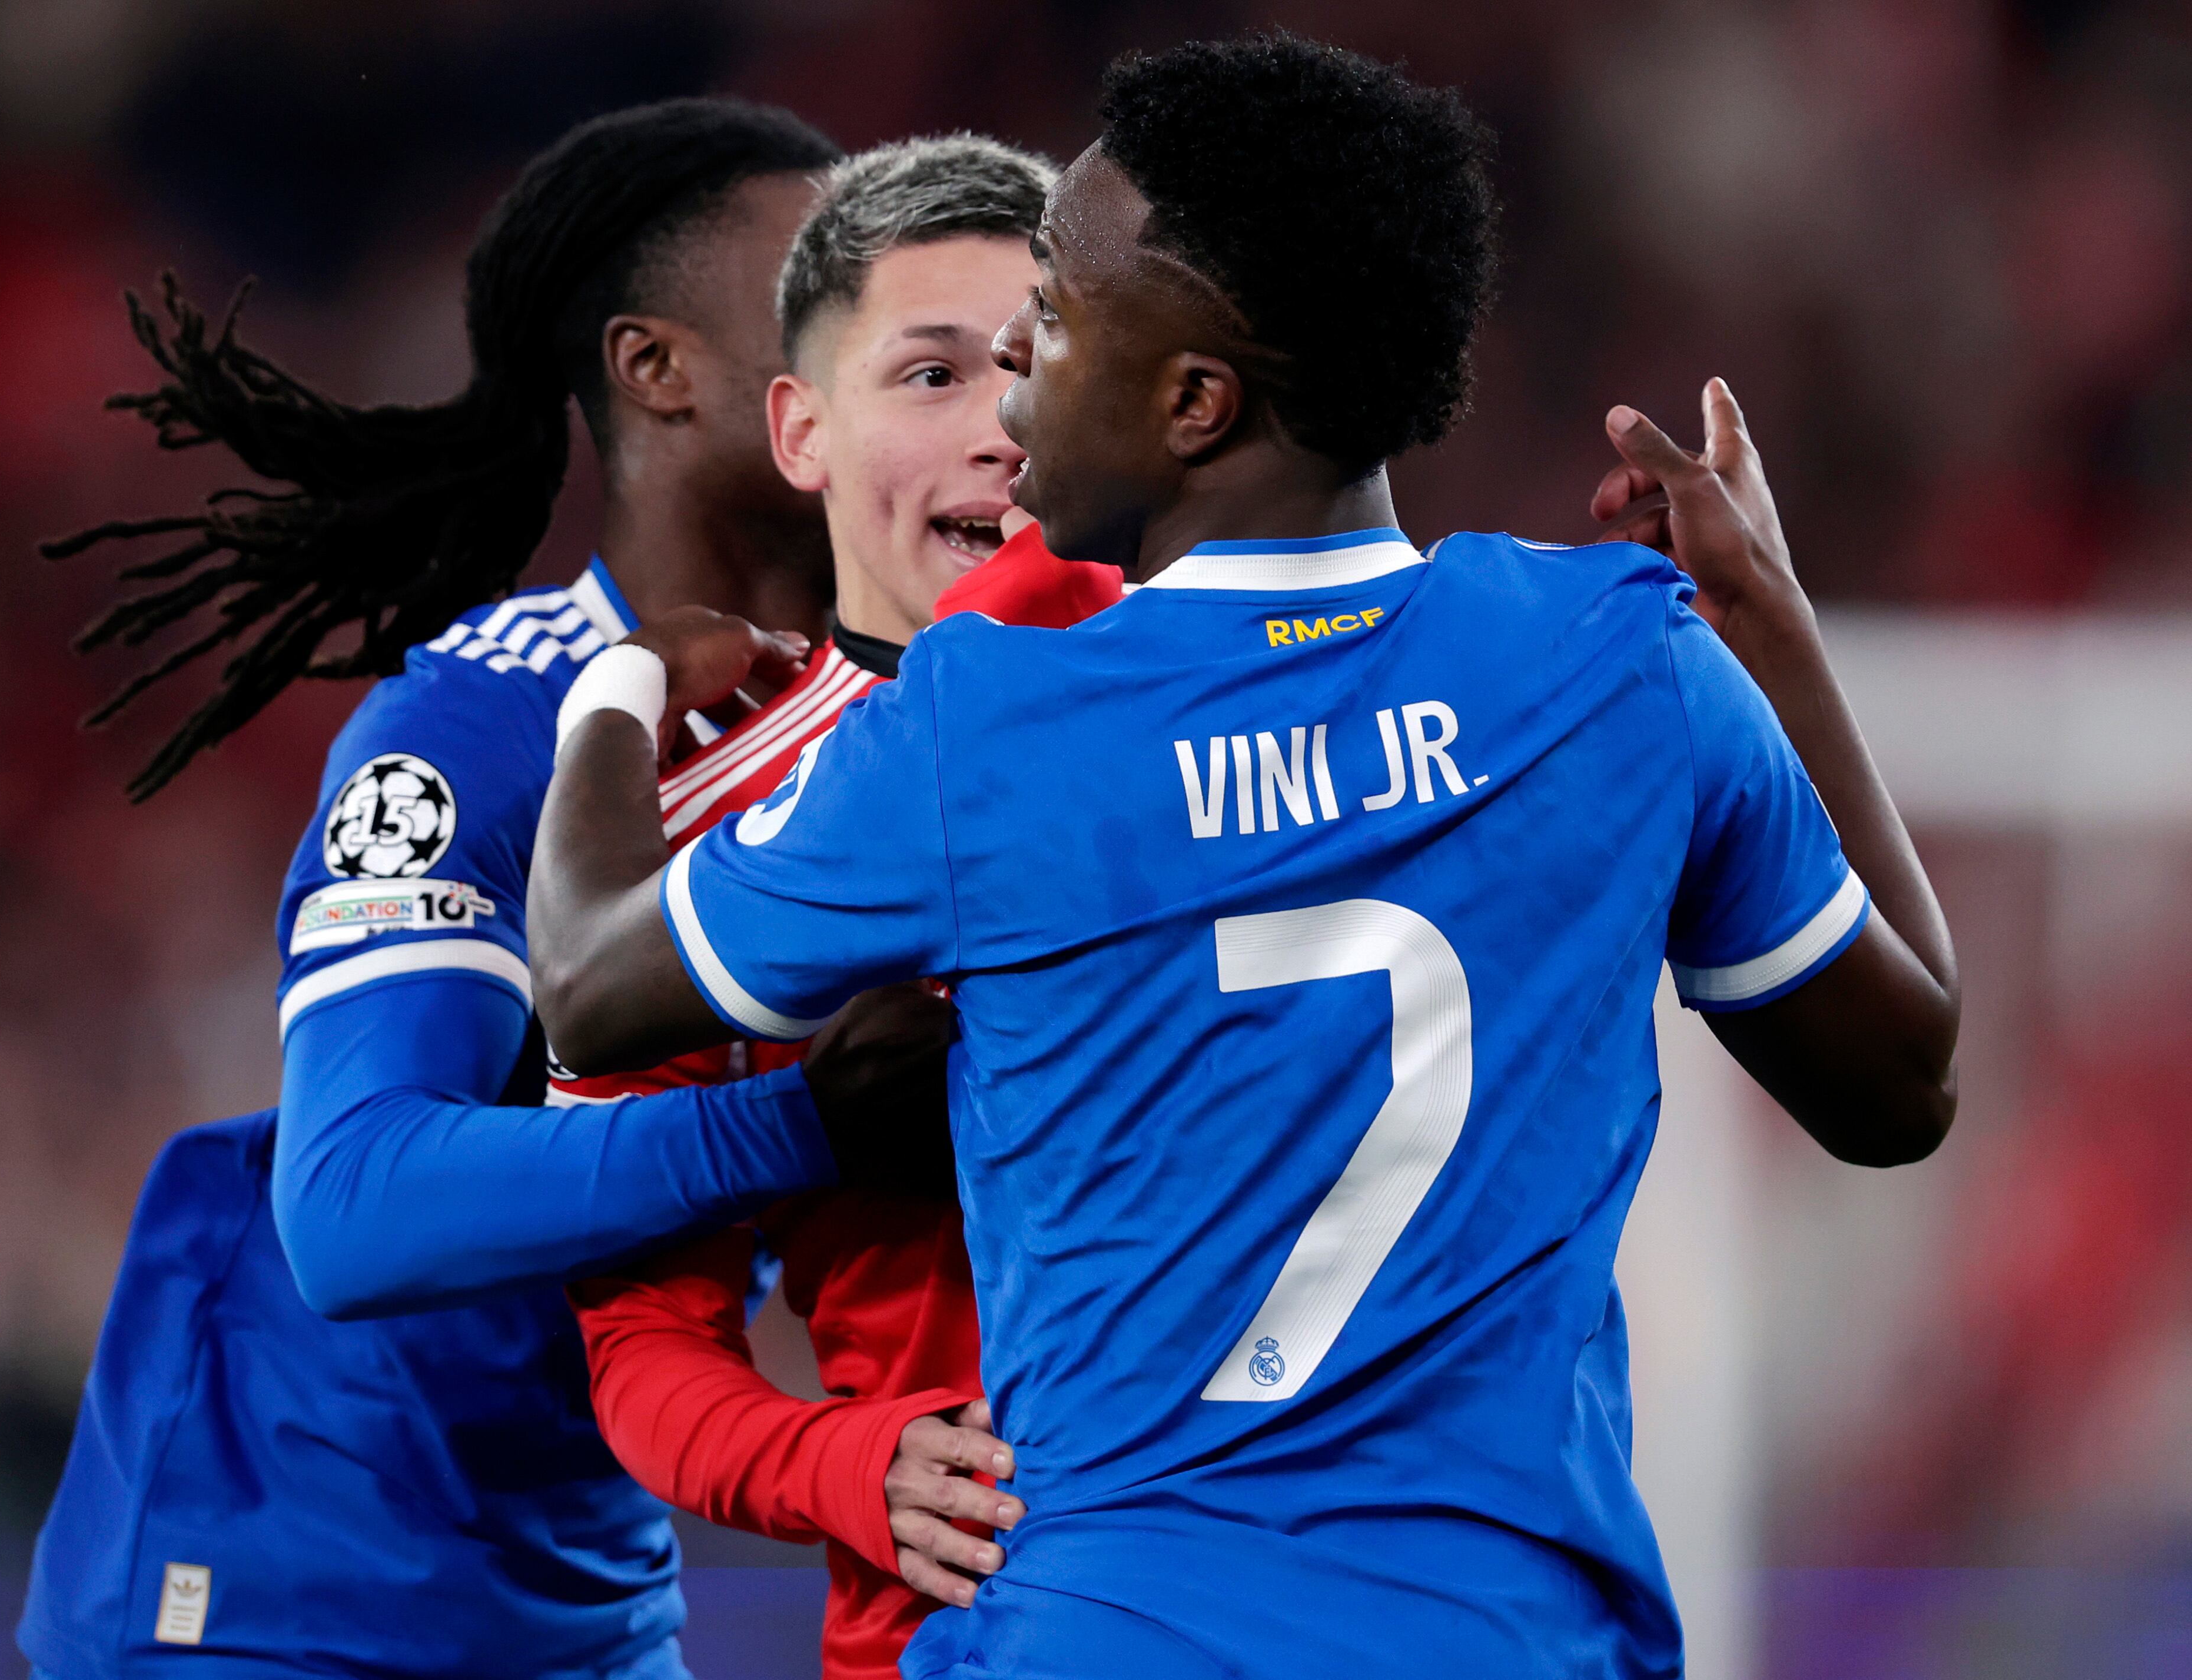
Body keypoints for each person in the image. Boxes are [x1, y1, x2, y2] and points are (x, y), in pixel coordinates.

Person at [526, 34, 1959, 1680]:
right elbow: (1900, 1090)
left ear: (1195, 404)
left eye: (1056, 317)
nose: (1012, 349)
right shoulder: (1618, 660)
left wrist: (618, 688)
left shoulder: (994, 720)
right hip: (1506, 1640)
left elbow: (590, 988)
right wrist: (1765, 617)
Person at [19, 99, 954, 1680]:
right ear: (653, 370)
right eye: (817, 290)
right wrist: (803, 1125)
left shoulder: (914, 722)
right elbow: (356, 1206)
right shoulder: (483, 718)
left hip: (582, 1585)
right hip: (280, 1587)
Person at [560, 135, 1120, 1680]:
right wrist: (837, 1464)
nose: (999, 428)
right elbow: (644, 1334)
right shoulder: (691, 841)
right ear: (800, 432)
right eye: (930, 376)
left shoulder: (1259, 696)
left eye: (1032, 366)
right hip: (966, 1624)